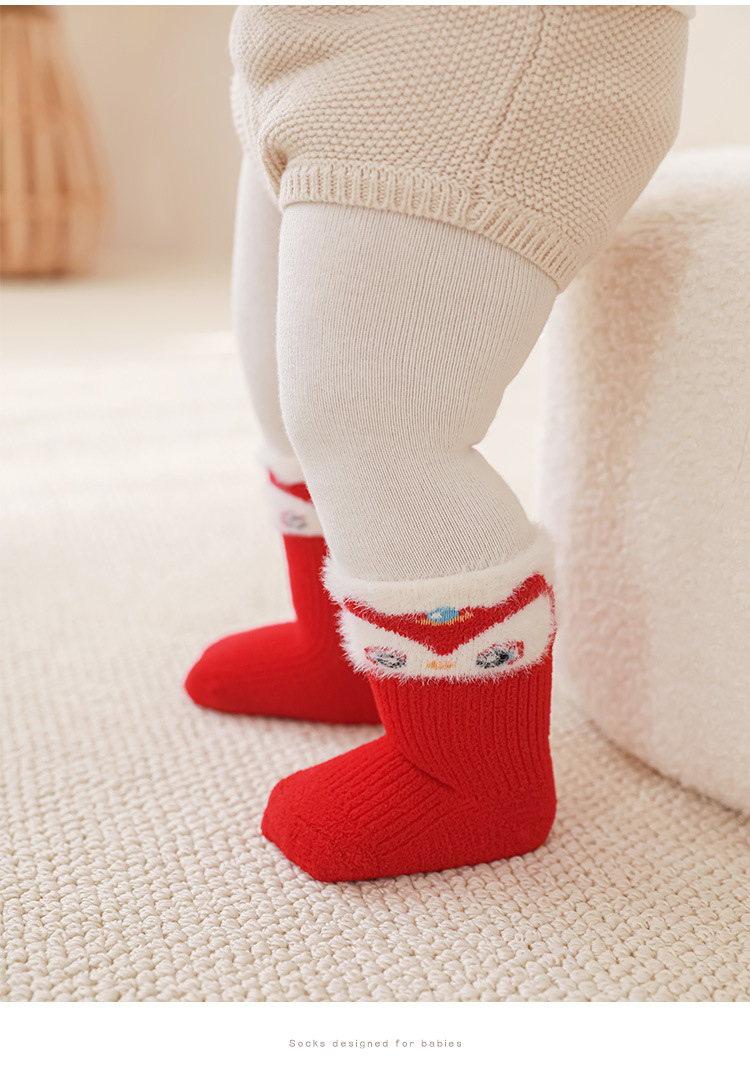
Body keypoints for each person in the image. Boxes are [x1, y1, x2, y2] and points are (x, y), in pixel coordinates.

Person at [185, 5, 692, 882]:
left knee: (376, 414)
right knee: (280, 366)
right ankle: (346, 655)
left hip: (472, 46)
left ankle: (468, 770)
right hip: (303, 43)